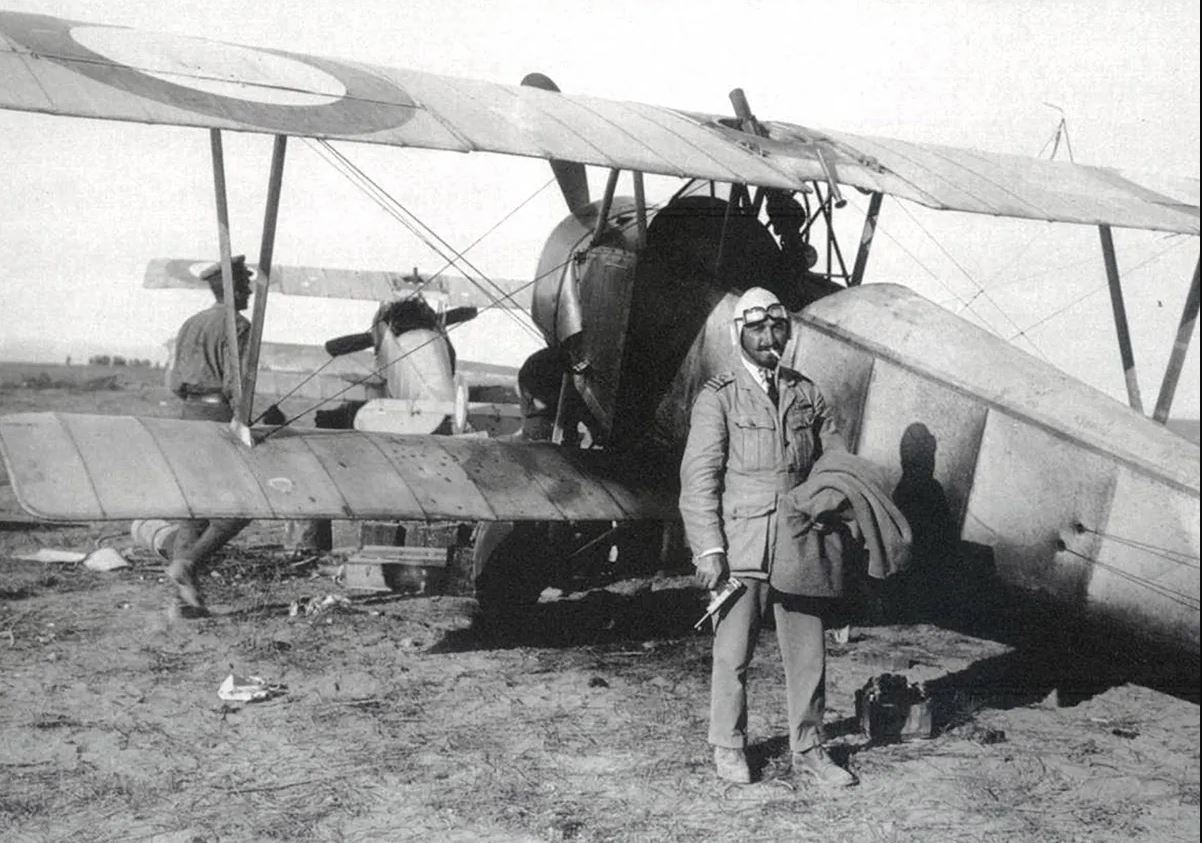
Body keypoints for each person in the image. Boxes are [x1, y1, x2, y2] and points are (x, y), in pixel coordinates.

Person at [678, 286, 858, 787]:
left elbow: (835, 464)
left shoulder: (807, 394)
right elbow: (699, 479)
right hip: (743, 548)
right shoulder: (719, 396)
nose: (769, 337)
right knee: (733, 656)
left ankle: (810, 749)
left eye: (777, 327)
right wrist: (709, 549)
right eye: (757, 329)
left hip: (801, 543)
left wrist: (828, 509)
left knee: (808, 658)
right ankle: (728, 746)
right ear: (740, 334)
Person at [162, 254, 254, 617]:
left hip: (188, 415)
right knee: (242, 505)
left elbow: (174, 382)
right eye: (245, 284)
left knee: (193, 508)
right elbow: (237, 386)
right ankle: (188, 564)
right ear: (233, 288)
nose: (248, 290)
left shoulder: (191, 323)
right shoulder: (239, 326)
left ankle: (184, 601)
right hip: (218, 417)